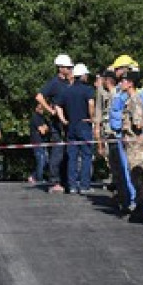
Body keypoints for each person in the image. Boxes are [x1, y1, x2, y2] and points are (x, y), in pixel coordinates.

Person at [35, 54, 73, 193]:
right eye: (68, 67)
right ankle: (54, 181)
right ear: (61, 68)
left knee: (67, 152)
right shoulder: (54, 83)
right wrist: (50, 110)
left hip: (67, 122)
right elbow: (39, 96)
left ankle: (65, 180)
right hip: (57, 123)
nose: (70, 69)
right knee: (57, 150)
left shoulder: (68, 83)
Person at [55, 63, 95, 193]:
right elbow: (91, 104)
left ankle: (71, 186)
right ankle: (84, 186)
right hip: (84, 125)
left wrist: (63, 120)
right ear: (82, 76)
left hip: (71, 126)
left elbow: (57, 106)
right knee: (86, 156)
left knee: (72, 156)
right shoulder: (88, 90)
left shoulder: (67, 90)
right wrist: (92, 117)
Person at [108, 55, 139, 210]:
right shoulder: (121, 89)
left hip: (130, 137)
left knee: (133, 170)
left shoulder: (135, 91)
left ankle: (134, 202)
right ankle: (127, 200)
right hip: (120, 134)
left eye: (118, 69)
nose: (116, 72)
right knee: (124, 170)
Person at [120, 68, 143, 222]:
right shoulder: (129, 100)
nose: (121, 83)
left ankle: (141, 208)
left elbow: (138, 123)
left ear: (131, 83)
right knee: (134, 175)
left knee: (138, 176)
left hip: (136, 144)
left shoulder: (135, 100)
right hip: (130, 143)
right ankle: (140, 207)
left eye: (124, 81)